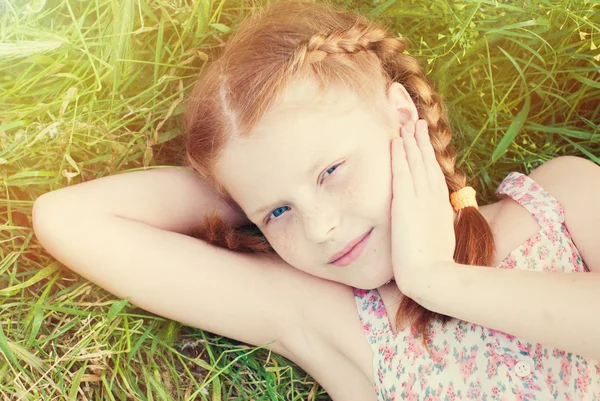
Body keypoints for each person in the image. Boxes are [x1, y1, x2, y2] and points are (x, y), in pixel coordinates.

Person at [32, 1, 600, 400]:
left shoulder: (558, 197)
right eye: (279, 212)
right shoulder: (331, 319)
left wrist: (436, 278)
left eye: (331, 171)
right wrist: (250, 194)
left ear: (403, 118)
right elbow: (70, 218)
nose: (322, 227)